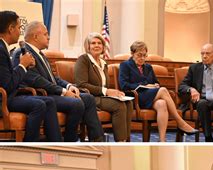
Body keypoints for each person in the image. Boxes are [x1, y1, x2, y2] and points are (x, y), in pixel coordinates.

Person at [12, 21, 104, 142]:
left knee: (88, 98)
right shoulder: (23, 53)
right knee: (76, 103)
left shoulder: (40, 54)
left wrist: (68, 85)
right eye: (46, 34)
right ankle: (70, 140)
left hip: (52, 92)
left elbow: (53, 78)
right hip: (41, 94)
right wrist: (63, 91)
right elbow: (36, 80)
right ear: (35, 37)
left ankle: (97, 139)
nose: (48, 37)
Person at [118, 40, 197, 142]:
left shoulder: (148, 67)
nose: (142, 58)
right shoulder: (125, 65)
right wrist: (143, 85)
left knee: (162, 103)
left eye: (144, 55)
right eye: (139, 55)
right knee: (163, 90)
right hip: (136, 98)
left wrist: (155, 85)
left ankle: (162, 140)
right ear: (132, 54)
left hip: (149, 96)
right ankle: (180, 122)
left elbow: (156, 82)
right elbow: (124, 85)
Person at [0, 10, 61, 142]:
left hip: (10, 94)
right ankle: (29, 144)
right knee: (38, 105)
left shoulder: (3, 48)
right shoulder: (0, 49)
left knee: (49, 102)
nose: (20, 31)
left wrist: (24, 66)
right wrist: (22, 65)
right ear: (10, 29)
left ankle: (55, 143)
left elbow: (8, 79)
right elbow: (7, 85)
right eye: (18, 27)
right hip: (3, 99)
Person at [75, 33, 133, 142]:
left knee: (128, 103)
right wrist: (106, 91)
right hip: (89, 98)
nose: (97, 45)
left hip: (101, 97)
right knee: (118, 105)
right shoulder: (83, 60)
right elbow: (81, 84)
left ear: (103, 46)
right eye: (93, 43)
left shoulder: (103, 63)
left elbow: (104, 85)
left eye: (99, 43)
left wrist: (116, 93)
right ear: (88, 46)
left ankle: (126, 140)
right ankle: (120, 142)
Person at [178, 43, 213, 142]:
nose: (204, 56)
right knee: (202, 104)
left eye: (207, 53)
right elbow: (182, 86)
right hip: (201, 100)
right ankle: (208, 138)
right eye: (202, 53)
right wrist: (191, 89)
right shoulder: (194, 68)